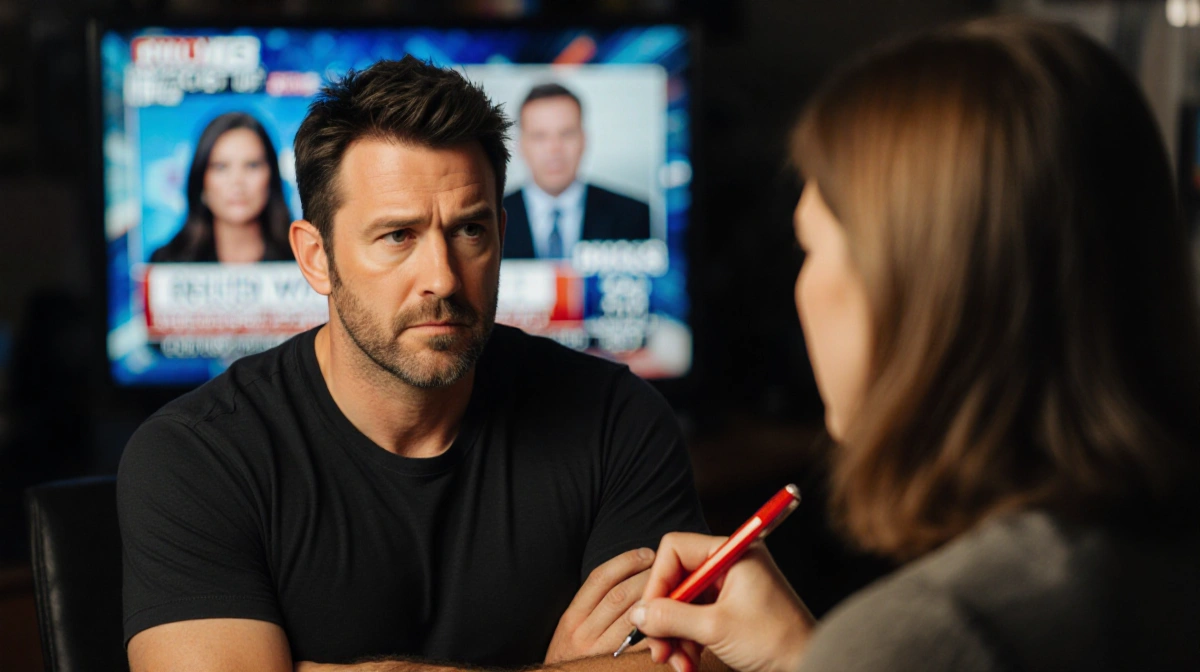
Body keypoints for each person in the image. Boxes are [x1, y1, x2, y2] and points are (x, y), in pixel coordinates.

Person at [630, 17, 1200, 672]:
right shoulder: (1153, 556)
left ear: (912, 292)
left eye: (810, 248)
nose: (800, 289)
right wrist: (805, 659)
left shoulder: (938, 632)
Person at [119, 56, 708, 671]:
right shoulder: (198, 455)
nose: (443, 277)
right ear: (315, 256)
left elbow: (701, 659)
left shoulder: (616, 419)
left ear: (502, 236)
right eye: (398, 235)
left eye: (470, 231)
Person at [502, 83, 651, 260]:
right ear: (521, 146)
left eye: (566, 134)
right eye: (539, 136)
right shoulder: (490, 219)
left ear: (584, 140)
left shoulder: (634, 216)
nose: (554, 150)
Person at [150, 111, 294, 263]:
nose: (237, 182)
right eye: (220, 167)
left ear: (271, 176)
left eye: (252, 165)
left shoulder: (303, 259)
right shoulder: (167, 263)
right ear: (201, 179)